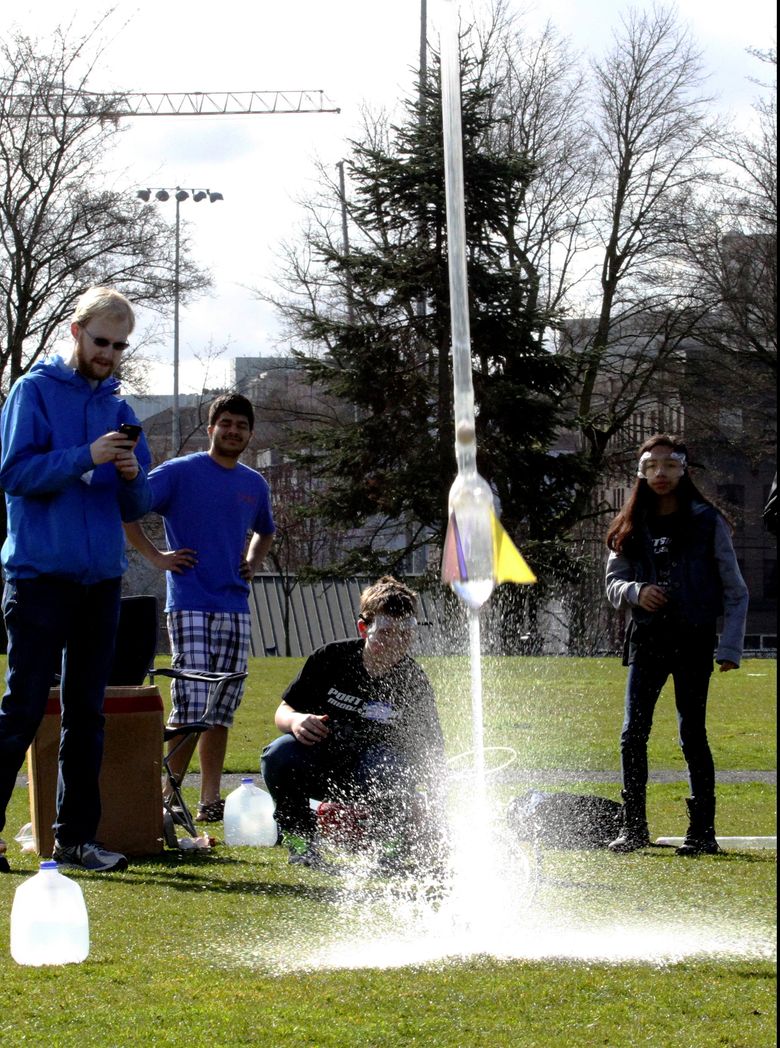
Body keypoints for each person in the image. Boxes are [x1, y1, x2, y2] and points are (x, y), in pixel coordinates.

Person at [0, 287, 152, 874]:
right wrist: (85, 456)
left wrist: (134, 473)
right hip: (39, 577)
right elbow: (13, 474)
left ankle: (76, 840)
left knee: (88, 713)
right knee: (23, 708)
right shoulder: (32, 392)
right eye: (100, 341)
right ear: (75, 331)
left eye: (118, 345)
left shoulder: (122, 410)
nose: (108, 354)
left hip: (101, 582)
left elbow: (133, 503)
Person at [124, 393, 275, 823]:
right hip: (190, 602)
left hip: (234, 605)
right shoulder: (180, 473)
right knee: (190, 705)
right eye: (225, 423)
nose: (233, 432)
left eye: (241, 426)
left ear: (249, 433)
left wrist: (253, 561)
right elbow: (129, 508)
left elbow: (265, 531)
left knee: (220, 709)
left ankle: (210, 801)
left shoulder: (254, 484)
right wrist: (157, 558)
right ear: (211, 428)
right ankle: (165, 798)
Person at [604, 433, 748, 856]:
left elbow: (736, 590)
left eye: (669, 465)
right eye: (651, 466)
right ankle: (634, 828)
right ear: (641, 472)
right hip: (647, 640)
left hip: (693, 639)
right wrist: (636, 591)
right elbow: (613, 583)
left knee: (692, 733)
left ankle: (702, 832)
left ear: (684, 469)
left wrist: (731, 648)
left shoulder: (708, 520)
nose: (660, 474)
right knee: (633, 734)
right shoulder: (630, 524)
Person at [261, 576, 448, 873]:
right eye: (386, 632)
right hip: (324, 765)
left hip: (379, 778)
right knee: (278, 754)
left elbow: (432, 751)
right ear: (364, 628)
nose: (396, 642)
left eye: (406, 632)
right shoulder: (330, 658)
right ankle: (300, 844)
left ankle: (391, 851)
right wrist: (296, 721)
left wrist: (440, 809)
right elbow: (284, 710)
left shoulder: (413, 680)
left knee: (389, 764)